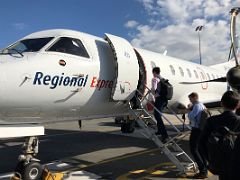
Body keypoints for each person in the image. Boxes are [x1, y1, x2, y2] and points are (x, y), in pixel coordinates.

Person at [199, 91, 240, 180]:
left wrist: (210, 161)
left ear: (221, 103)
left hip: (220, 166)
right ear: (238, 105)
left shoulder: (211, 121)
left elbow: (201, 144)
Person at [187, 92, 208, 179]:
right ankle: (205, 169)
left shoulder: (196, 106)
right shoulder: (202, 105)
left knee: (194, 149)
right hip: (201, 130)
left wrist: (189, 110)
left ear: (195, 97)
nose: (190, 100)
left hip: (196, 130)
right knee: (200, 149)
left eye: (190, 99)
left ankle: (202, 170)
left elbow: (191, 116)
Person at [151, 67, 169, 142]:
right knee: (158, 115)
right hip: (164, 100)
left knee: (157, 115)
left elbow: (153, 89)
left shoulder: (155, 79)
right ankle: (159, 130)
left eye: (153, 72)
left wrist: (152, 93)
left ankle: (165, 135)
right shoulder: (162, 79)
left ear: (154, 72)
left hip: (159, 99)